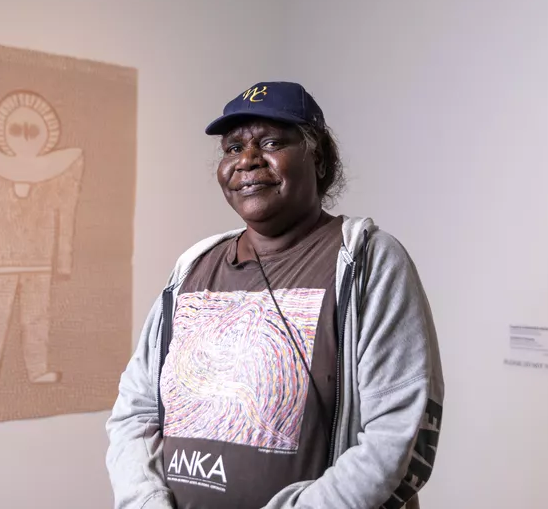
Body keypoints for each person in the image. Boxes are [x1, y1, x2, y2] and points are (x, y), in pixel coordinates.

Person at [106, 82, 444, 508]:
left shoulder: (367, 262)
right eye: (233, 147)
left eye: (270, 143)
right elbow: (135, 412)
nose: (246, 160)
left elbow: (397, 434)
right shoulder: (193, 268)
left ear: (318, 159)